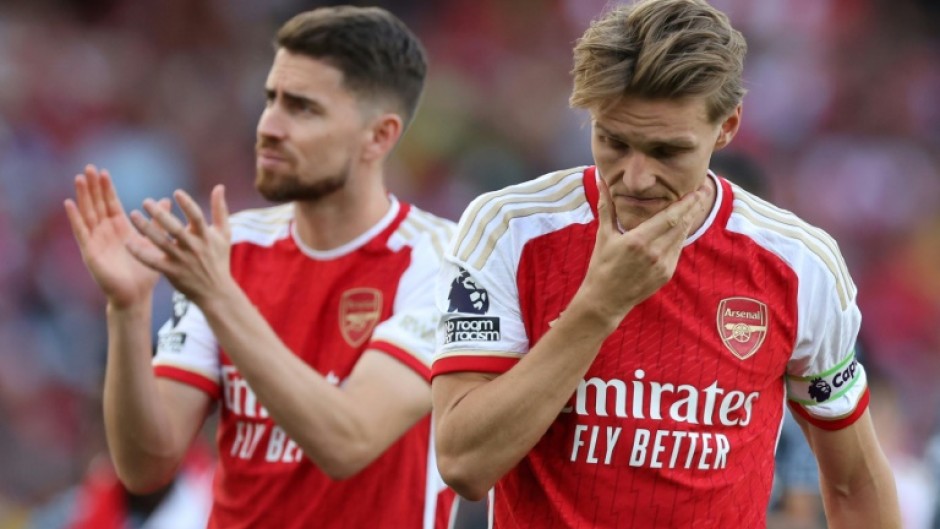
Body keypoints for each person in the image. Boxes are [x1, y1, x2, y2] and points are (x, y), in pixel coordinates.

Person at [430, 0, 901, 527]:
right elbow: (464, 463)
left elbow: (854, 482)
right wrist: (600, 306)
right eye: (613, 141)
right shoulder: (510, 229)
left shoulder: (798, 263)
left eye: (667, 151)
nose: (634, 178)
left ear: (726, 128)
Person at [64, 6, 456, 529]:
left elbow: (348, 440)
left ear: (379, 137)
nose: (269, 126)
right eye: (270, 99)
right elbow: (145, 466)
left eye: (303, 108)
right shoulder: (234, 246)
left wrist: (219, 296)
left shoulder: (442, 260)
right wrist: (129, 310)